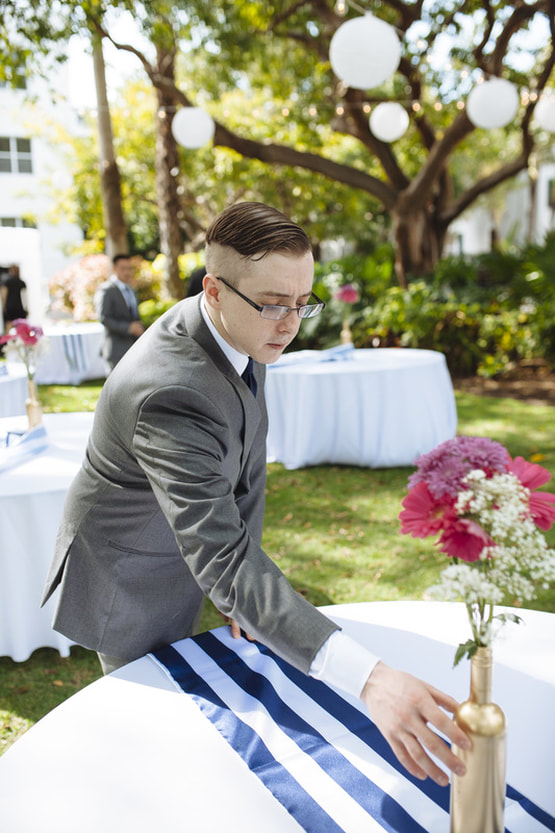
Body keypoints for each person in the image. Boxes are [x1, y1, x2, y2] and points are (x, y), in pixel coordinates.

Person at [42, 202, 468, 787]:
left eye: (302, 302)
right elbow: (221, 555)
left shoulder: (247, 328)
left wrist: (238, 596)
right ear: (213, 290)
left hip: (190, 534)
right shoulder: (169, 391)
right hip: (130, 564)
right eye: (273, 304)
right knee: (148, 732)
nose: (290, 323)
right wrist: (370, 678)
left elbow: (246, 465)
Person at [94, 253, 145, 370]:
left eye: (129, 268)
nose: (127, 272)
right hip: (115, 348)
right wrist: (128, 328)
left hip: (133, 346)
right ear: (114, 269)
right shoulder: (106, 289)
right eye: (123, 268)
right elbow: (104, 317)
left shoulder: (132, 290)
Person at [1, 264, 28, 331]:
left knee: (9, 325)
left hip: (10, 307)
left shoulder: (7, 282)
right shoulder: (21, 283)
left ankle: (8, 340)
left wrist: (4, 307)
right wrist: (26, 308)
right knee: (20, 326)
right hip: (19, 307)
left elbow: (3, 295)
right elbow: (25, 297)